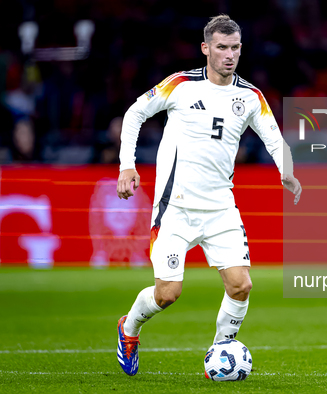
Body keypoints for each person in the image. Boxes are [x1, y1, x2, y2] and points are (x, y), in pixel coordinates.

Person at [115, 14, 302, 376]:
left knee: (241, 285)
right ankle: (129, 328)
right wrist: (127, 165)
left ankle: (221, 351)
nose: (229, 55)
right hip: (176, 208)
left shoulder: (250, 96)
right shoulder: (181, 84)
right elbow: (135, 113)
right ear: (206, 48)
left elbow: (274, 137)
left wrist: (287, 170)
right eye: (221, 47)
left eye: (235, 48)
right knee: (168, 293)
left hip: (221, 209)